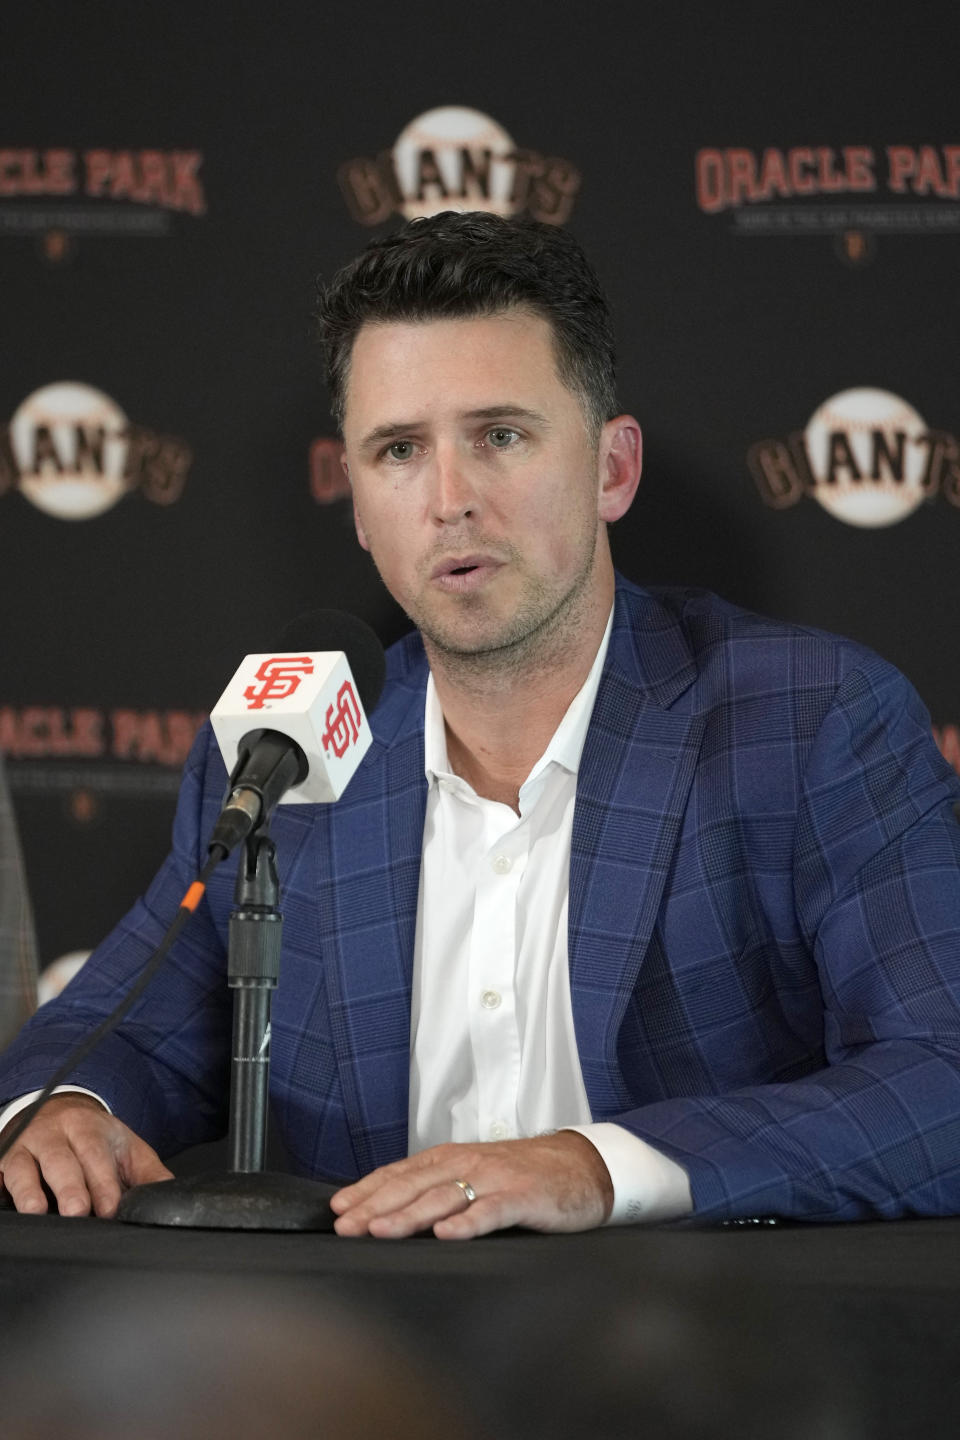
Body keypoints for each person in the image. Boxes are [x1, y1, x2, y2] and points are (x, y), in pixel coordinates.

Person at [2, 212, 960, 1237]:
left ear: (611, 468)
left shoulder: (809, 720)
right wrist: (67, 1109)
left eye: (500, 437)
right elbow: (122, 1036)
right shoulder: (293, 750)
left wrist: (597, 1167)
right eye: (399, 451)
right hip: (378, 1377)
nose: (450, 499)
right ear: (362, 509)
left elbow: (940, 1079)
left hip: (698, 1360)